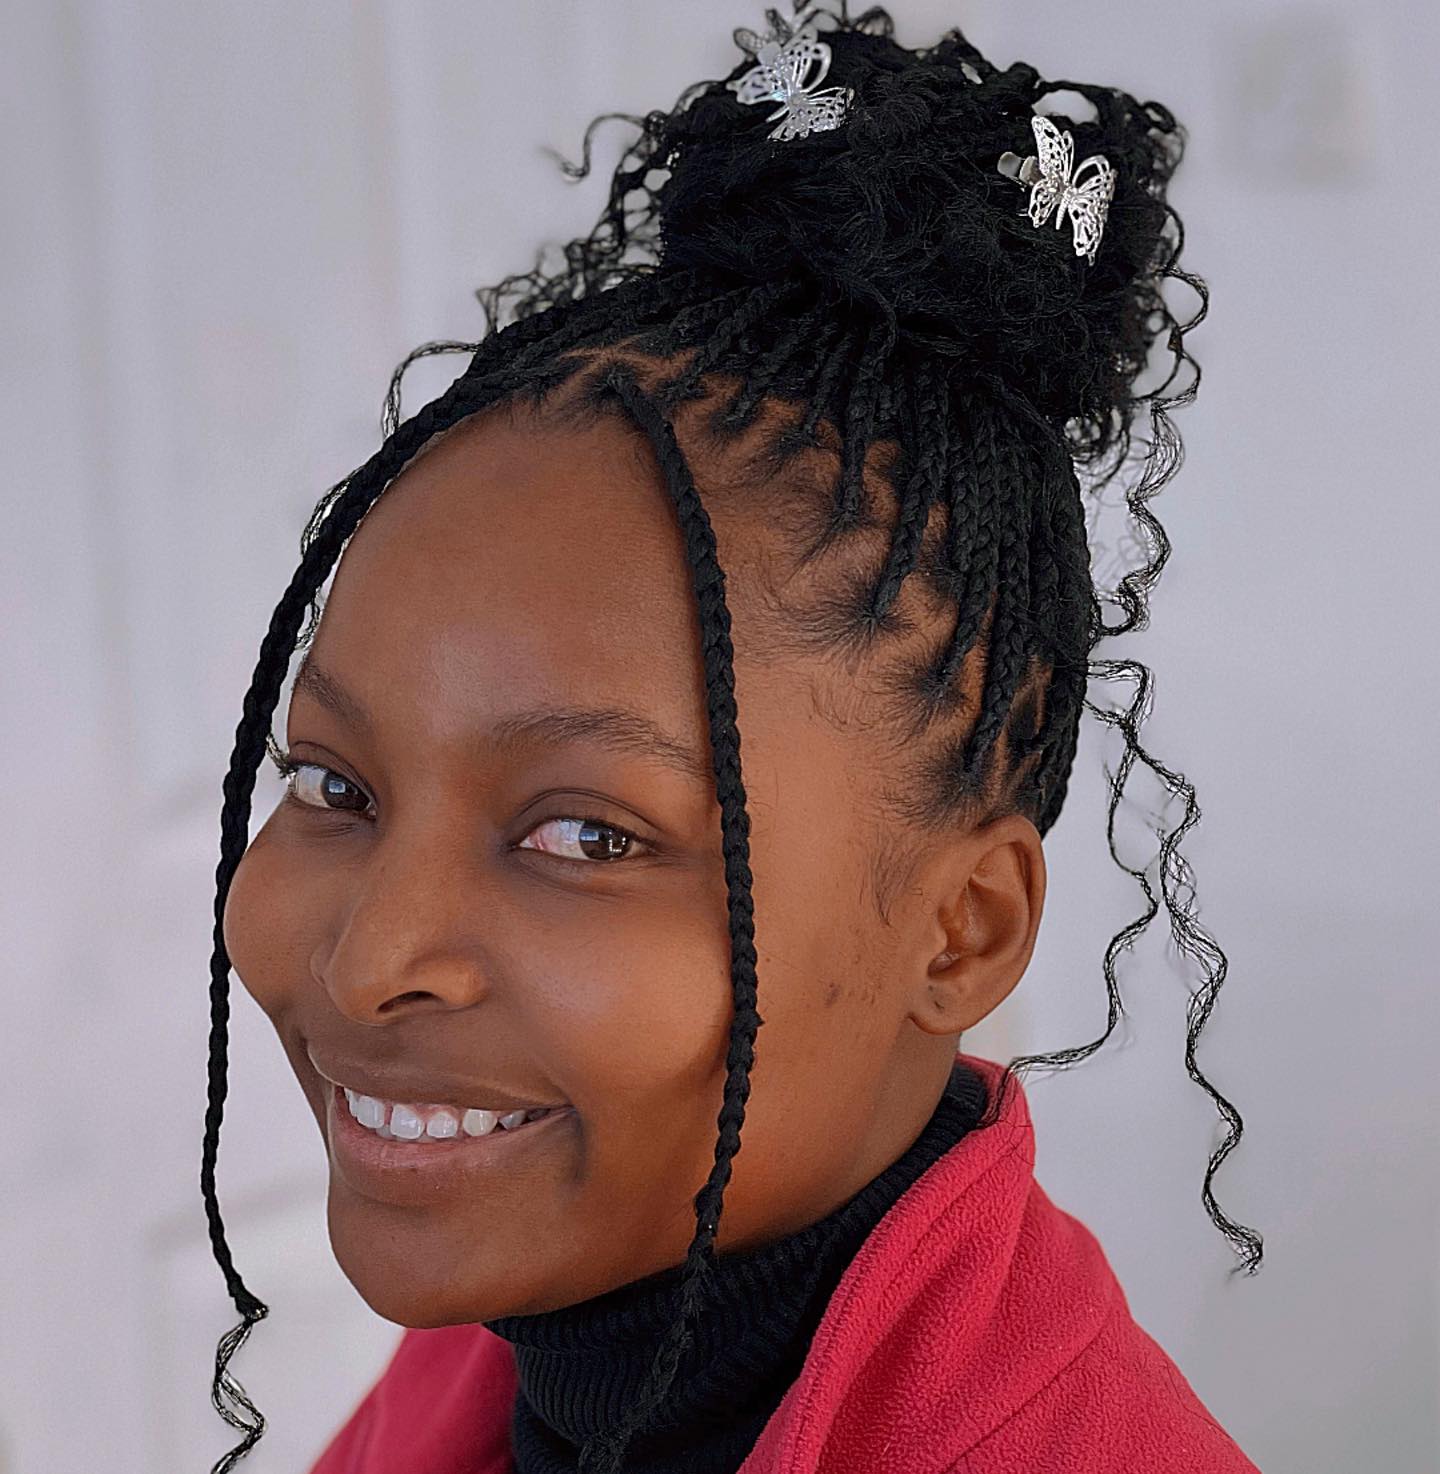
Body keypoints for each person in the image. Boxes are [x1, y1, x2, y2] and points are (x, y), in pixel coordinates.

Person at [201, 4, 1264, 1470]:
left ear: (958, 932)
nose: (369, 959)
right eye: (334, 784)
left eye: (586, 833)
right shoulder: (524, 1322)